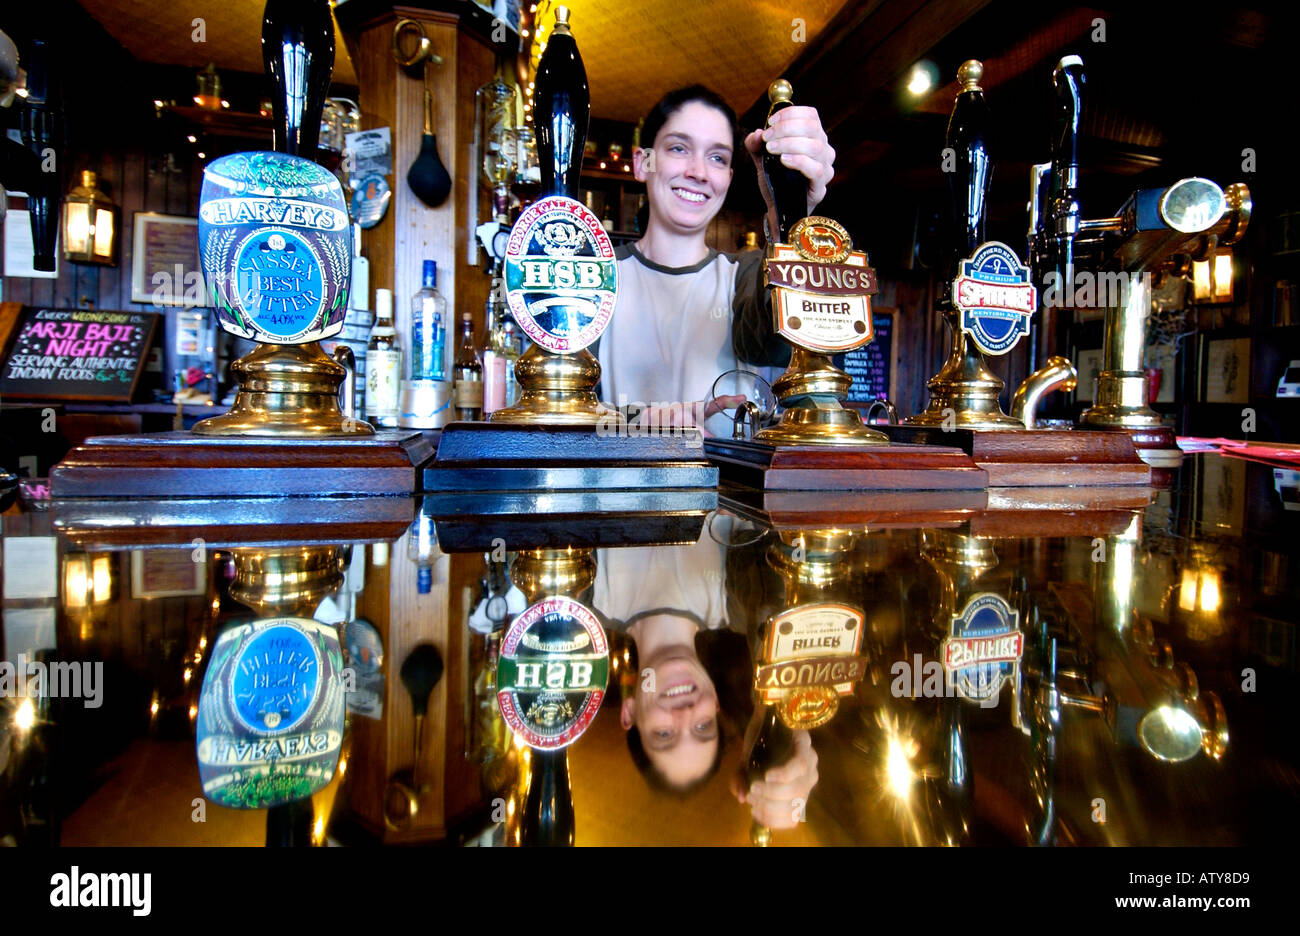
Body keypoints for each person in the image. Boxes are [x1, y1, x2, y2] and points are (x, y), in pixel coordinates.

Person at [596, 84, 837, 437]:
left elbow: (786, 339)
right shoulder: (596, 277)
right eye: (679, 148)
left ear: (729, 178)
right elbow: (548, 415)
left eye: (717, 158)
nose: (699, 172)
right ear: (641, 163)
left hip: (726, 493)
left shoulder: (745, 277)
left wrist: (791, 216)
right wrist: (637, 424)